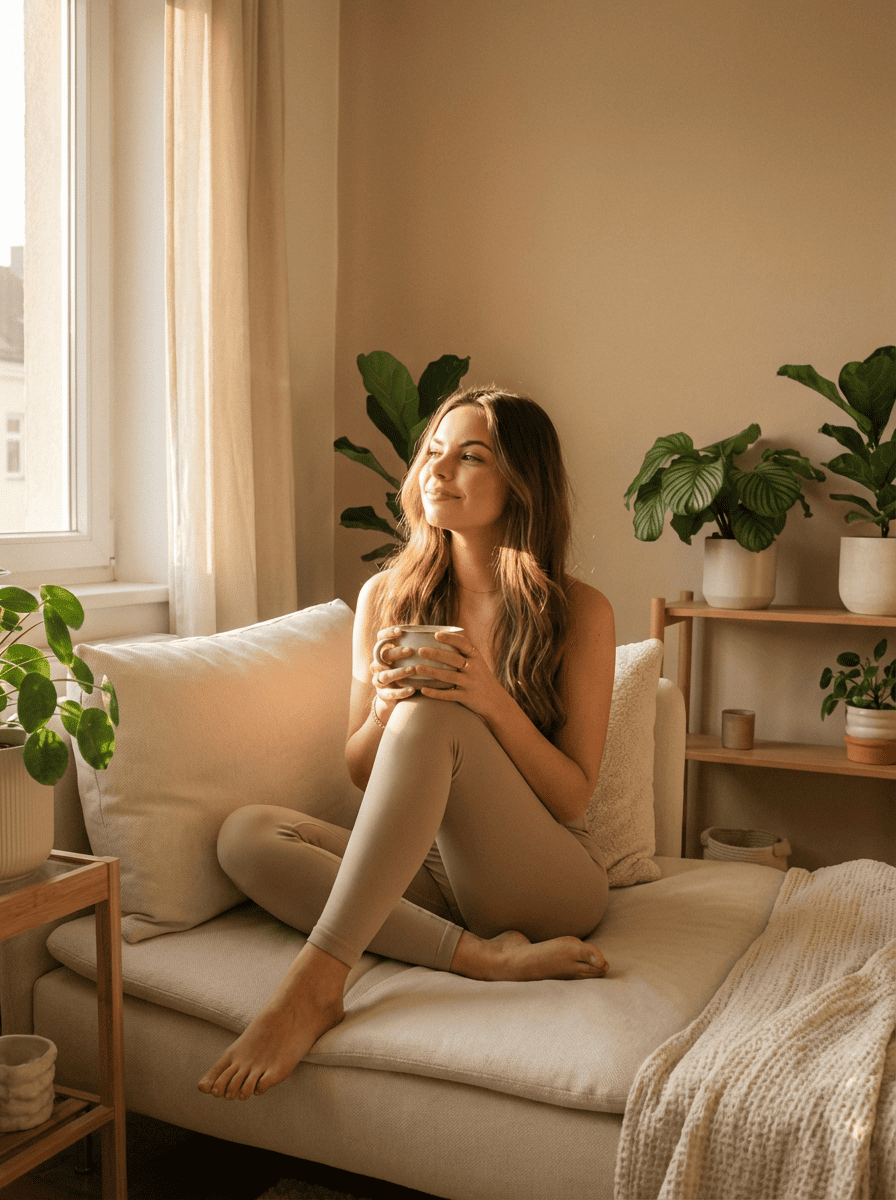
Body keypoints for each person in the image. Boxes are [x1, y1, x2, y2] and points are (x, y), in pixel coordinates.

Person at [198, 386, 616, 1103]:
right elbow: (360, 768)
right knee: (246, 835)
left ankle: (315, 983)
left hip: (542, 878)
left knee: (436, 719)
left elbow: (574, 797)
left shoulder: (579, 610)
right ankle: (478, 958)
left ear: (521, 481)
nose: (438, 469)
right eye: (432, 452)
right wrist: (389, 703)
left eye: (470, 456)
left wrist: (484, 696)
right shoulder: (388, 597)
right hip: (430, 878)